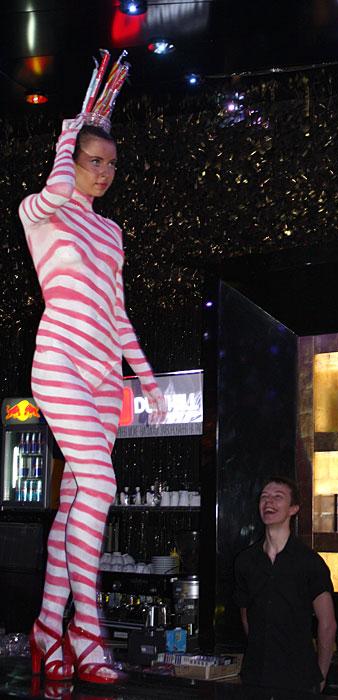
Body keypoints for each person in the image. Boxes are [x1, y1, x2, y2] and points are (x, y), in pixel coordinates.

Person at [19, 114, 166, 684]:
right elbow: (56, 190)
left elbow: (116, 311)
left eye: (111, 164)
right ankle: (87, 628)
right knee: (101, 485)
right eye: (93, 161)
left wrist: (145, 377)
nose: (104, 173)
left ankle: (46, 627)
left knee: (77, 499)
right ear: (71, 159)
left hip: (106, 374)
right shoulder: (42, 210)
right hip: (60, 359)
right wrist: (65, 136)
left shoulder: (111, 232)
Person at [234, 476, 337, 694]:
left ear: (293, 509)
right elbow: (246, 616)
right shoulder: (246, 561)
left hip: (298, 677)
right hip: (255, 675)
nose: (269, 502)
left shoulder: (309, 562)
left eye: (278, 497)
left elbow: (328, 624)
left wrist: (321, 675)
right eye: (264, 497)